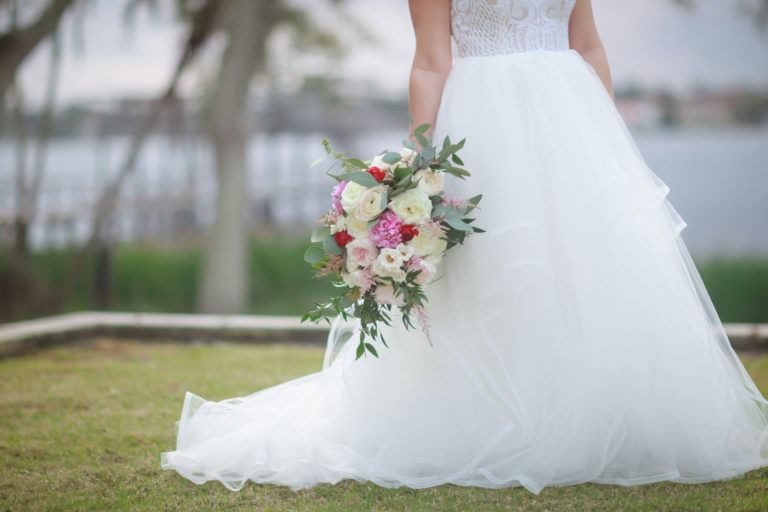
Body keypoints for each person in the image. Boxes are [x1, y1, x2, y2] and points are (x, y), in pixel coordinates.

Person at [160, 0, 768, 494]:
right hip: (483, 125)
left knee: (585, 270)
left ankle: (595, 421)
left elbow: (587, 42)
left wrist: (610, 144)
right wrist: (420, 165)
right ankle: (500, 422)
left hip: (571, 121)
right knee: (497, 269)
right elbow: (430, 60)